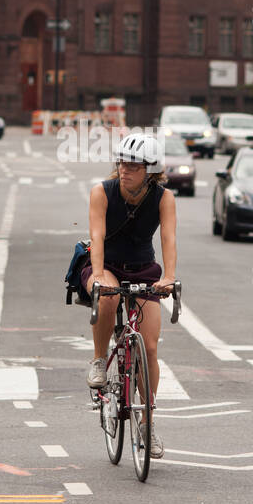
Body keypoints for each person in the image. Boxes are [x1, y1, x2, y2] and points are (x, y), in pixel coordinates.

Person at [80, 133, 178, 460]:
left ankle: (147, 426)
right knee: (107, 297)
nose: (125, 170)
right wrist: (97, 277)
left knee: (149, 346)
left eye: (134, 166)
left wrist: (168, 278)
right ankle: (97, 361)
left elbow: (169, 239)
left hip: (142, 268)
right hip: (105, 263)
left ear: (151, 170)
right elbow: (97, 236)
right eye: (122, 162)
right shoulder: (101, 193)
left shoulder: (163, 198)